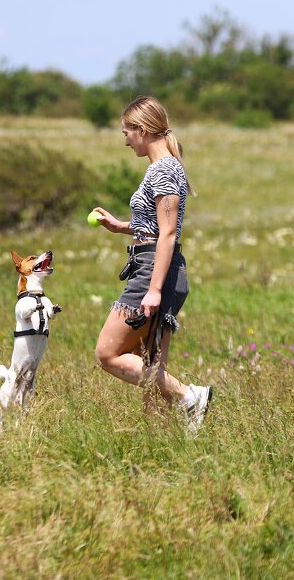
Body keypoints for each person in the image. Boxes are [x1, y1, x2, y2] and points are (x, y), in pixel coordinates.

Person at [92, 96, 212, 427]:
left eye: (127, 133)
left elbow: (168, 234)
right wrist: (121, 226)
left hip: (153, 271)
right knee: (151, 366)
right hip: (155, 267)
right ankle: (162, 441)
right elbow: (156, 226)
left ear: (142, 130)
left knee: (107, 354)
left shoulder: (163, 169)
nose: (126, 141)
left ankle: (191, 397)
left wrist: (154, 289)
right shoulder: (164, 167)